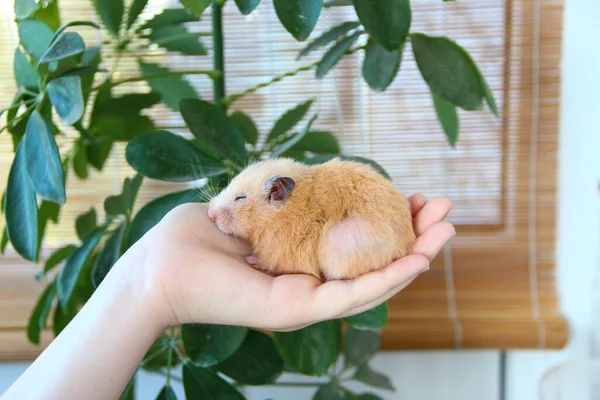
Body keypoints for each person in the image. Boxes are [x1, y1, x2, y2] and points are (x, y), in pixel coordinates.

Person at [1, 195, 455, 400]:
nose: (218, 207)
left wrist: (146, 286)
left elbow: (294, 249)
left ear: (279, 193)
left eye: (238, 198)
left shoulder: (289, 219)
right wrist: (149, 282)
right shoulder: (280, 206)